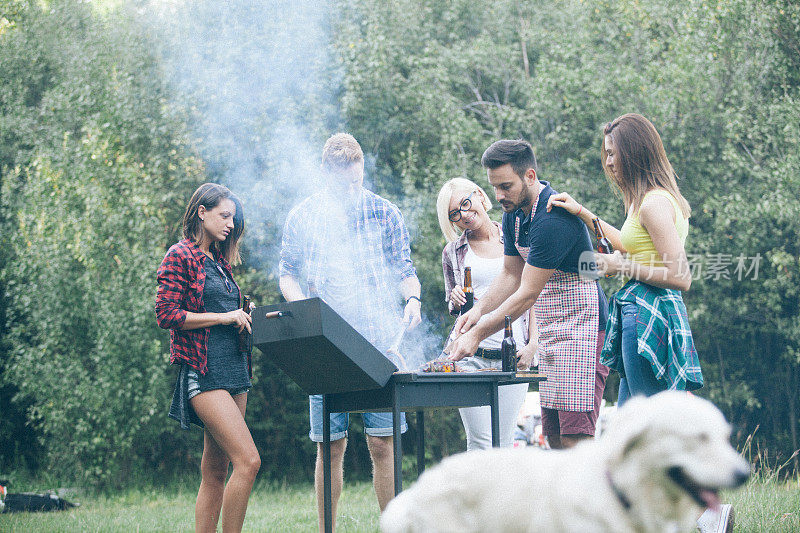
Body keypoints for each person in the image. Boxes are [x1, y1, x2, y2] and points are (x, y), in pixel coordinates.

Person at [545, 113, 726, 532]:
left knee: (641, 429)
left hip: (648, 315)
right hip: (638, 312)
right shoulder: (646, 201)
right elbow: (631, 245)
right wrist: (586, 214)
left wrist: (618, 264)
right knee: (636, 424)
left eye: (614, 153)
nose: (608, 162)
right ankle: (686, 514)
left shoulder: (654, 203)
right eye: (605, 154)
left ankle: (699, 514)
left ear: (635, 151)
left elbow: (680, 276)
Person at [279, 133, 421, 531]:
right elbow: (287, 273)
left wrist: (413, 299)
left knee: (382, 442)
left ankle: (393, 526)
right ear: (326, 175)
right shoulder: (303, 216)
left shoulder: (385, 213)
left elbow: (404, 270)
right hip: (326, 345)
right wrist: (302, 309)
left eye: (356, 182)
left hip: (378, 339)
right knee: (331, 444)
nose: (351, 191)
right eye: (343, 184)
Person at [447, 139, 609, 450]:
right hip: (553, 328)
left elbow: (526, 294)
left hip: (583, 329)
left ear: (530, 176)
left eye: (506, 186)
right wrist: (476, 311)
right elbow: (510, 273)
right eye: (494, 187)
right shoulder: (513, 214)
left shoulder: (552, 218)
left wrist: (477, 334)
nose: (499, 196)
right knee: (555, 438)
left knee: (577, 441)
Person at [156, 183, 260, 533]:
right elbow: (167, 314)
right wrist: (224, 317)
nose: (230, 224)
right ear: (202, 212)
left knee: (216, 471)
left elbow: (223, 313)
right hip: (204, 371)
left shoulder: (220, 262)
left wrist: (243, 315)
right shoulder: (179, 255)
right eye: (224, 215)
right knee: (248, 461)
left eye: (233, 218)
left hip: (235, 371)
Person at [437, 177, 535, 450]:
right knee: (480, 442)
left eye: (466, 204)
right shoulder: (453, 251)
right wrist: (455, 299)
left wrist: (533, 345)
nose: (464, 216)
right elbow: (454, 307)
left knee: (504, 442)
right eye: (454, 214)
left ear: (480, 195)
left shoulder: (515, 237)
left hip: (511, 355)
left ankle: (503, 495)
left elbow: (532, 295)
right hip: (471, 358)